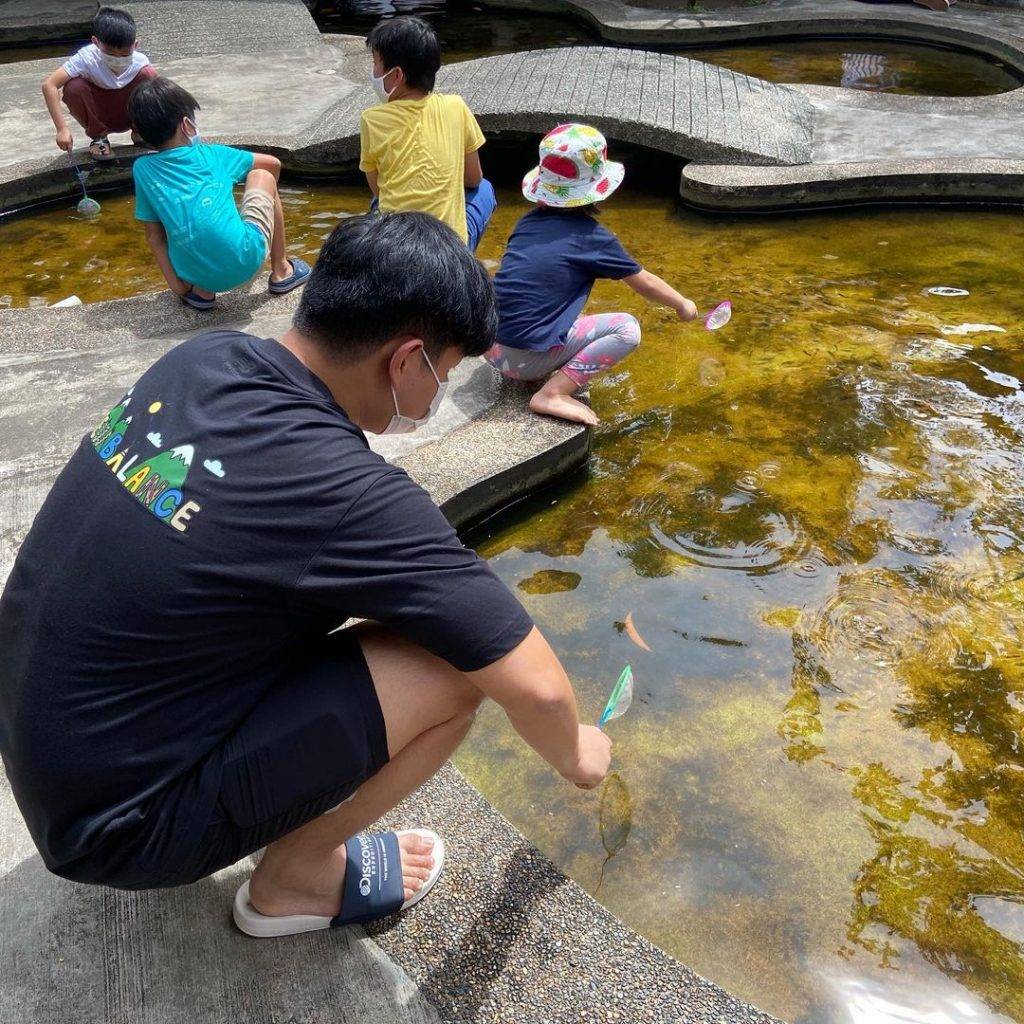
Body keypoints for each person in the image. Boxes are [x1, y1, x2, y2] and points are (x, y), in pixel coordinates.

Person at [0, 211, 611, 937]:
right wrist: (578, 753)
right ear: (406, 360)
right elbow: (536, 685)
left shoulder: (201, 359)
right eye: (445, 373)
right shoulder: (348, 495)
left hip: (42, 743)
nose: (438, 392)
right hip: (120, 829)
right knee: (451, 667)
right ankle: (295, 881)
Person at [486, 123, 699, 426]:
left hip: (489, 346)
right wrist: (682, 304)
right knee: (627, 329)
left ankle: (537, 368)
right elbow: (645, 282)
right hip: (522, 362)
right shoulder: (592, 238)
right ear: (596, 189)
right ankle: (552, 394)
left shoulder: (526, 223)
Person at [128, 77, 310, 311]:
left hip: (192, 276)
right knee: (262, 175)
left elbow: (154, 237)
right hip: (245, 261)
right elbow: (272, 164)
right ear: (187, 125)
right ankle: (282, 271)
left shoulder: (142, 169)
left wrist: (179, 287)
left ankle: (203, 294)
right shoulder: (211, 155)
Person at [359, 16, 496, 252]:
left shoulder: (372, 119)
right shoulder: (456, 106)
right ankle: (467, 262)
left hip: (394, 251)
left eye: (375, 64)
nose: (373, 72)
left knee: (378, 202)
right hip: (450, 256)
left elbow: (379, 190)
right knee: (484, 188)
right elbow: (473, 178)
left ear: (396, 76)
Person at [41, 6, 157, 160]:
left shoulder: (140, 62)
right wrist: (62, 129)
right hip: (100, 114)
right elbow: (50, 85)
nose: (117, 58)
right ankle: (99, 138)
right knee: (74, 87)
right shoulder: (86, 59)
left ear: (135, 46)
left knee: (149, 76)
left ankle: (141, 132)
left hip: (130, 113)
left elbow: (163, 96)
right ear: (96, 42)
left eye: (124, 54)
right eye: (109, 53)